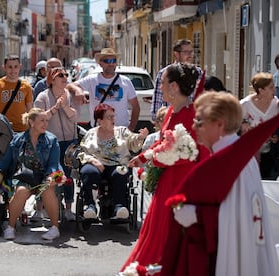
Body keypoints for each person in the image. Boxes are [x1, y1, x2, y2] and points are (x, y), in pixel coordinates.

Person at [160, 92, 279, 276]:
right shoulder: (237, 157)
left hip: (229, 259)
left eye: (199, 121)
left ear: (220, 124)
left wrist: (196, 214)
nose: (193, 126)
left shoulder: (230, 163)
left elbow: (237, 216)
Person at [121, 62, 208, 272]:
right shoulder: (170, 111)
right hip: (168, 180)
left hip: (183, 182)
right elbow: (163, 143)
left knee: (170, 232)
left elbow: (188, 152)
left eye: (162, 83)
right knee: (157, 230)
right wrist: (144, 156)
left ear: (174, 87)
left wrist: (155, 159)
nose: (159, 87)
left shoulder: (191, 114)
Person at [0, 107, 62, 240]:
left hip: (44, 176)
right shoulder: (18, 139)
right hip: (24, 176)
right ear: (32, 122)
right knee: (21, 191)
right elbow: (6, 161)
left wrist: (51, 177)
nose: (46, 124)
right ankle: (10, 227)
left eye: (47, 120)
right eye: (42, 120)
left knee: (48, 190)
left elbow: (53, 164)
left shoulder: (52, 140)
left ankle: (54, 227)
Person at [78, 103, 148, 219]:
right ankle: (90, 206)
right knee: (88, 172)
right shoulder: (91, 134)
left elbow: (133, 144)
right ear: (99, 120)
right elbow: (82, 152)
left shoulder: (122, 131)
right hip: (97, 164)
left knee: (120, 173)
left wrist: (140, 137)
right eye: (109, 117)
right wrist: (93, 161)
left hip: (118, 164)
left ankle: (119, 207)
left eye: (113, 116)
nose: (113, 119)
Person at [34, 67, 79, 221]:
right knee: (46, 174)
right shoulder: (42, 97)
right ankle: (39, 209)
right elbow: (39, 119)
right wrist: (55, 108)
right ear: (52, 79)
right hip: (49, 143)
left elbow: (74, 117)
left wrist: (65, 106)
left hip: (69, 141)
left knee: (68, 175)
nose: (65, 77)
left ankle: (68, 209)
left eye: (66, 75)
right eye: (61, 75)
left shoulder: (68, 95)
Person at [67, 48, 140, 132]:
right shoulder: (92, 80)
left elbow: (136, 107)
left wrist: (131, 128)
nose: (111, 64)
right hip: (98, 131)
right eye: (107, 61)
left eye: (113, 60)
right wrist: (77, 90)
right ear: (100, 63)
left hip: (120, 131)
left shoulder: (126, 81)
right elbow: (69, 86)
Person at [150, 39, 204, 121]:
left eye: (191, 52)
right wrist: (159, 120)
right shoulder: (165, 73)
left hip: (191, 119)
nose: (190, 55)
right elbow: (157, 102)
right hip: (169, 119)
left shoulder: (198, 72)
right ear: (176, 54)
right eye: (186, 52)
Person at [240, 72, 279, 177]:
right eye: (271, 87)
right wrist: (242, 125)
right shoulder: (245, 105)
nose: (274, 90)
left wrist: (276, 136)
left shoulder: (276, 104)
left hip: (269, 153)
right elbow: (232, 125)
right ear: (261, 90)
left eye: (274, 86)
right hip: (248, 154)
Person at [0, 54, 33, 132]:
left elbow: (30, 110)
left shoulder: (26, 86)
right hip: (3, 129)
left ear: (20, 67)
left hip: (22, 130)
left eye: (16, 67)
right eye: (10, 67)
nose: (13, 70)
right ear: (4, 67)